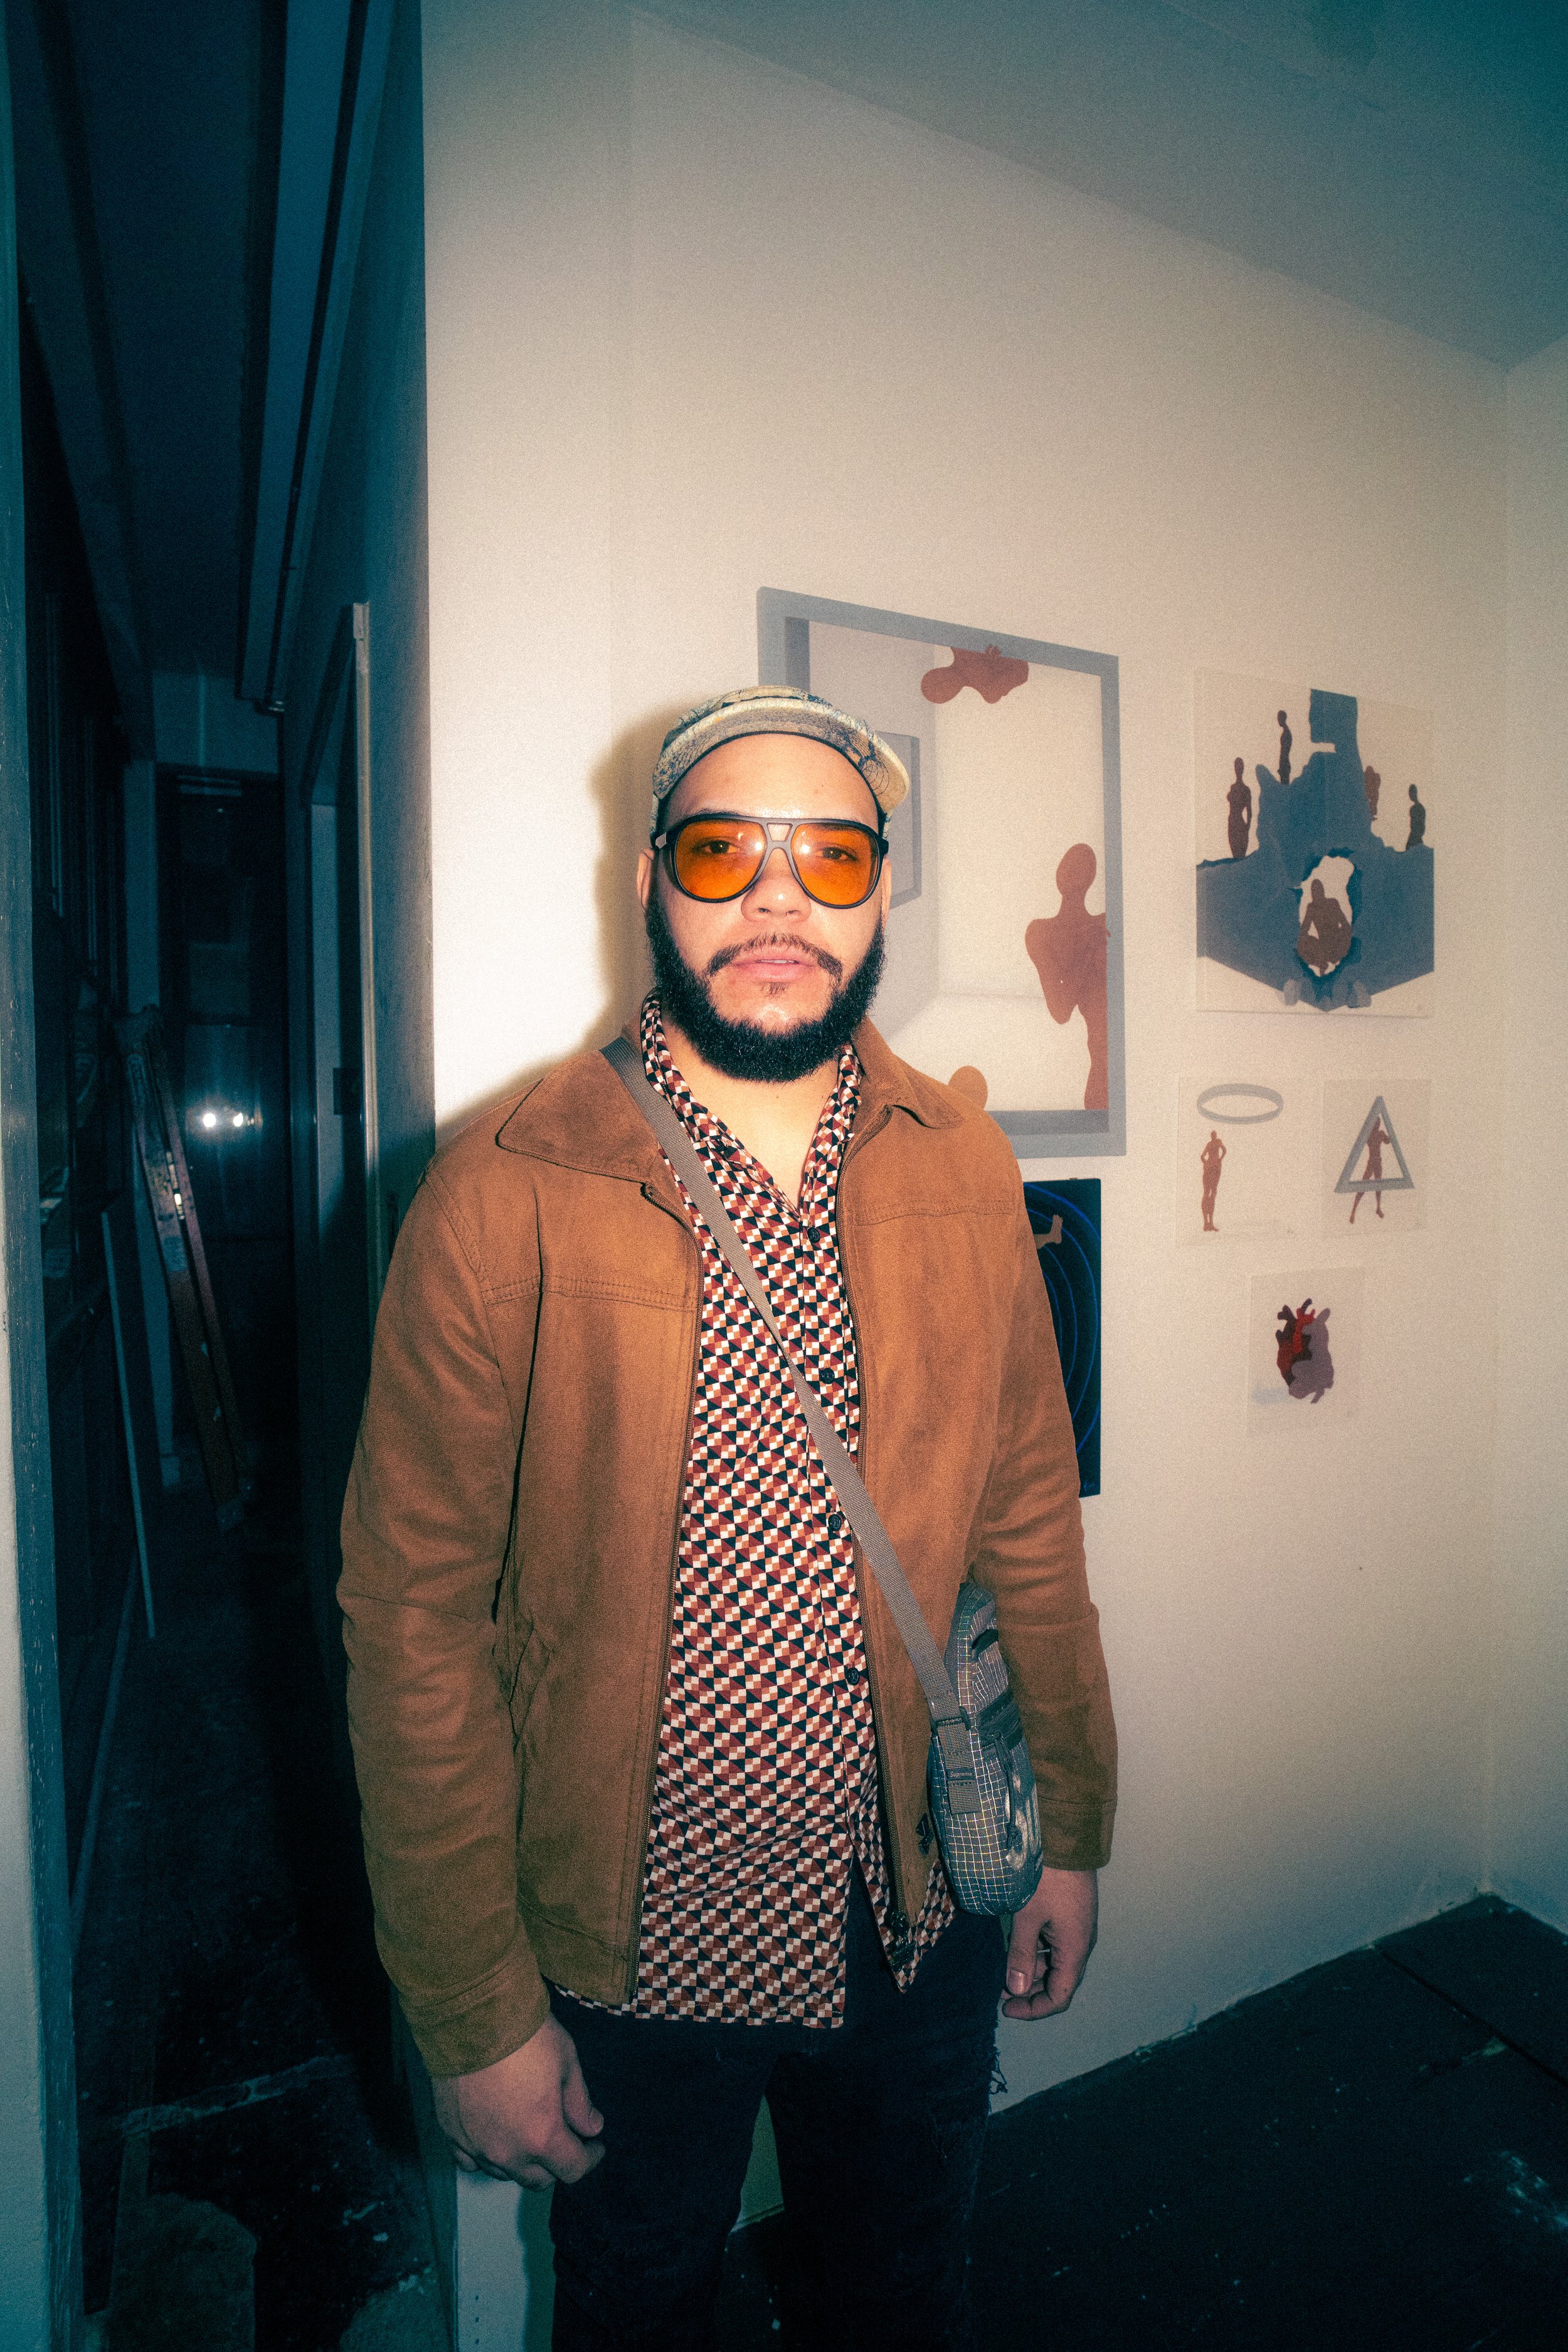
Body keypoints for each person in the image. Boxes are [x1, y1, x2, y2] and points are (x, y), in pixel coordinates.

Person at [338, 686, 1118, 2351]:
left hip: (914, 1913)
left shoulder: (965, 1168)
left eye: (828, 855)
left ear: (880, 890)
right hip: (631, 1948)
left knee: (898, 2301)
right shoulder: (500, 1194)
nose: (776, 896)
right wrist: (470, 2006)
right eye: (723, 850)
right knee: (635, 2313)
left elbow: (1028, 1527)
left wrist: (1074, 1823)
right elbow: (411, 1623)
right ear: (649, 881)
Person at [1025, 843, 1109, 1111]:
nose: (1070, 872)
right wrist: (1088, 954)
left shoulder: (1105, 923)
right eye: (1067, 864)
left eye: (1081, 868)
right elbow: (1060, 1010)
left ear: (1090, 878)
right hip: (1102, 1060)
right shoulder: (1042, 933)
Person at [1199, 1129, 1226, 1231]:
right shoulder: (1218, 1142)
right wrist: (1219, 1160)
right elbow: (1224, 1150)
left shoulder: (1209, 1144)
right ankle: (1208, 1223)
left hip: (1208, 1169)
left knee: (1207, 1194)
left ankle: (1208, 1223)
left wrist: (1207, 1163)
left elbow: (1202, 1157)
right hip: (1215, 1169)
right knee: (1212, 1194)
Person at [1226, 758, 1252, 860]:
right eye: (1237, 767)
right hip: (1232, 823)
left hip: (1239, 824)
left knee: (1239, 856)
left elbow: (1249, 812)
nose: (1238, 770)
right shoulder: (1233, 788)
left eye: (1240, 768)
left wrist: (1247, 827)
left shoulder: (1245, 790)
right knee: (1236, 855)